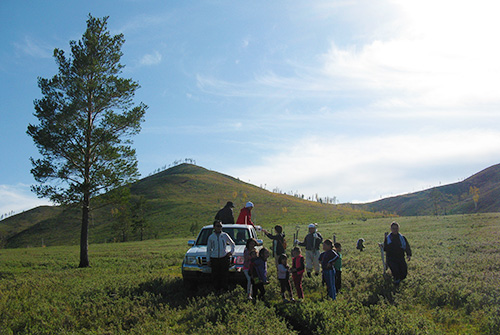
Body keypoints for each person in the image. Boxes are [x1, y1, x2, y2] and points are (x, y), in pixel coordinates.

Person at [206, 220, 235, 291]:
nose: (219, 227)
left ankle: (225, 289)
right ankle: (216, 290)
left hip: (224, 258)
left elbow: (232, 244)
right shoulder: (211, 237)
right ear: (214, 227)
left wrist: (231, 252)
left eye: (220, 226)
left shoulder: (225, 235)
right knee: (215, 275)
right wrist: (208, 260)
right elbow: (208, 249)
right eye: (217, 226)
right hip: (214, 258)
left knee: (224, 275)